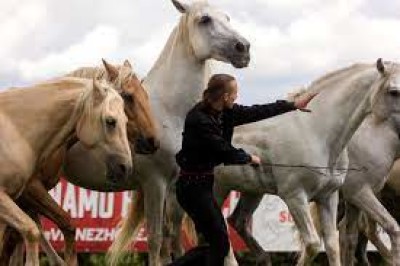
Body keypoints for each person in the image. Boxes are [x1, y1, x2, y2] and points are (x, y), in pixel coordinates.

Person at [171, 74, 316, 266]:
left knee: (218, 245)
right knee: (220, 245)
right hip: (191, 189)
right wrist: (248, 157)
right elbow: (222, 149)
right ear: (224, 96)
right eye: (234, 94)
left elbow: (258, 111)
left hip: (203, 186)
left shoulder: (225, 112)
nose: (236, 97)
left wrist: (292, 105)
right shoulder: (198, 119)